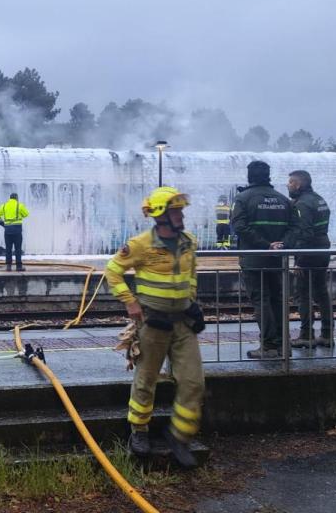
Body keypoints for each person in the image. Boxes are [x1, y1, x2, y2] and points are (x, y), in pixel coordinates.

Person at [105, 186, 205, 467]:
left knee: (193, 382)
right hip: (153, 325)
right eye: (175, 210)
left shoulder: (189, 242)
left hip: (183, 325)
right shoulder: (140, 245)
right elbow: (112, 271)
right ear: (160, 214)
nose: (181, 214)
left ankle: (179, 437)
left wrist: (192, 302)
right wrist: (130, 303)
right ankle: (139, 431)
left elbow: (192, 274)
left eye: (181, 209)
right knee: (146, 381)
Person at [231, 160, 299, 359]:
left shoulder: (243, 198)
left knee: (261, 301)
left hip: (254, 260)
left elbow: (240, 226)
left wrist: (265, 245)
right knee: (278, 300)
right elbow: (296, 227)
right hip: (278, 260)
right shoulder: (283, 199)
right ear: (268, 176)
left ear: (249, 176)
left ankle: (268, 346)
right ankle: (283, 345)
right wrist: (282, 245)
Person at [283, 170, 335, 348]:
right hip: (323, 250)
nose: (288, 185)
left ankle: (306, 335)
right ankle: (327, 335)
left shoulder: (302, 204)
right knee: (321, 293)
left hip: (308, 253)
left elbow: (305, 234)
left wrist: (299, 261)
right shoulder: (319, 199)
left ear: (298, 184)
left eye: (290, 182)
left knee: (302, 294)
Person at [0, 193, 29, 271]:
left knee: (8, 248)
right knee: (18, 248)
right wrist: (19, 215)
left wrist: (2, 223)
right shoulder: (20, 205)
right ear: (16, 198)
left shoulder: (4, 205)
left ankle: (8, 266)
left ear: (10, 198)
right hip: (17, 230)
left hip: (7, 230)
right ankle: (19, 266)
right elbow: (26, 214)